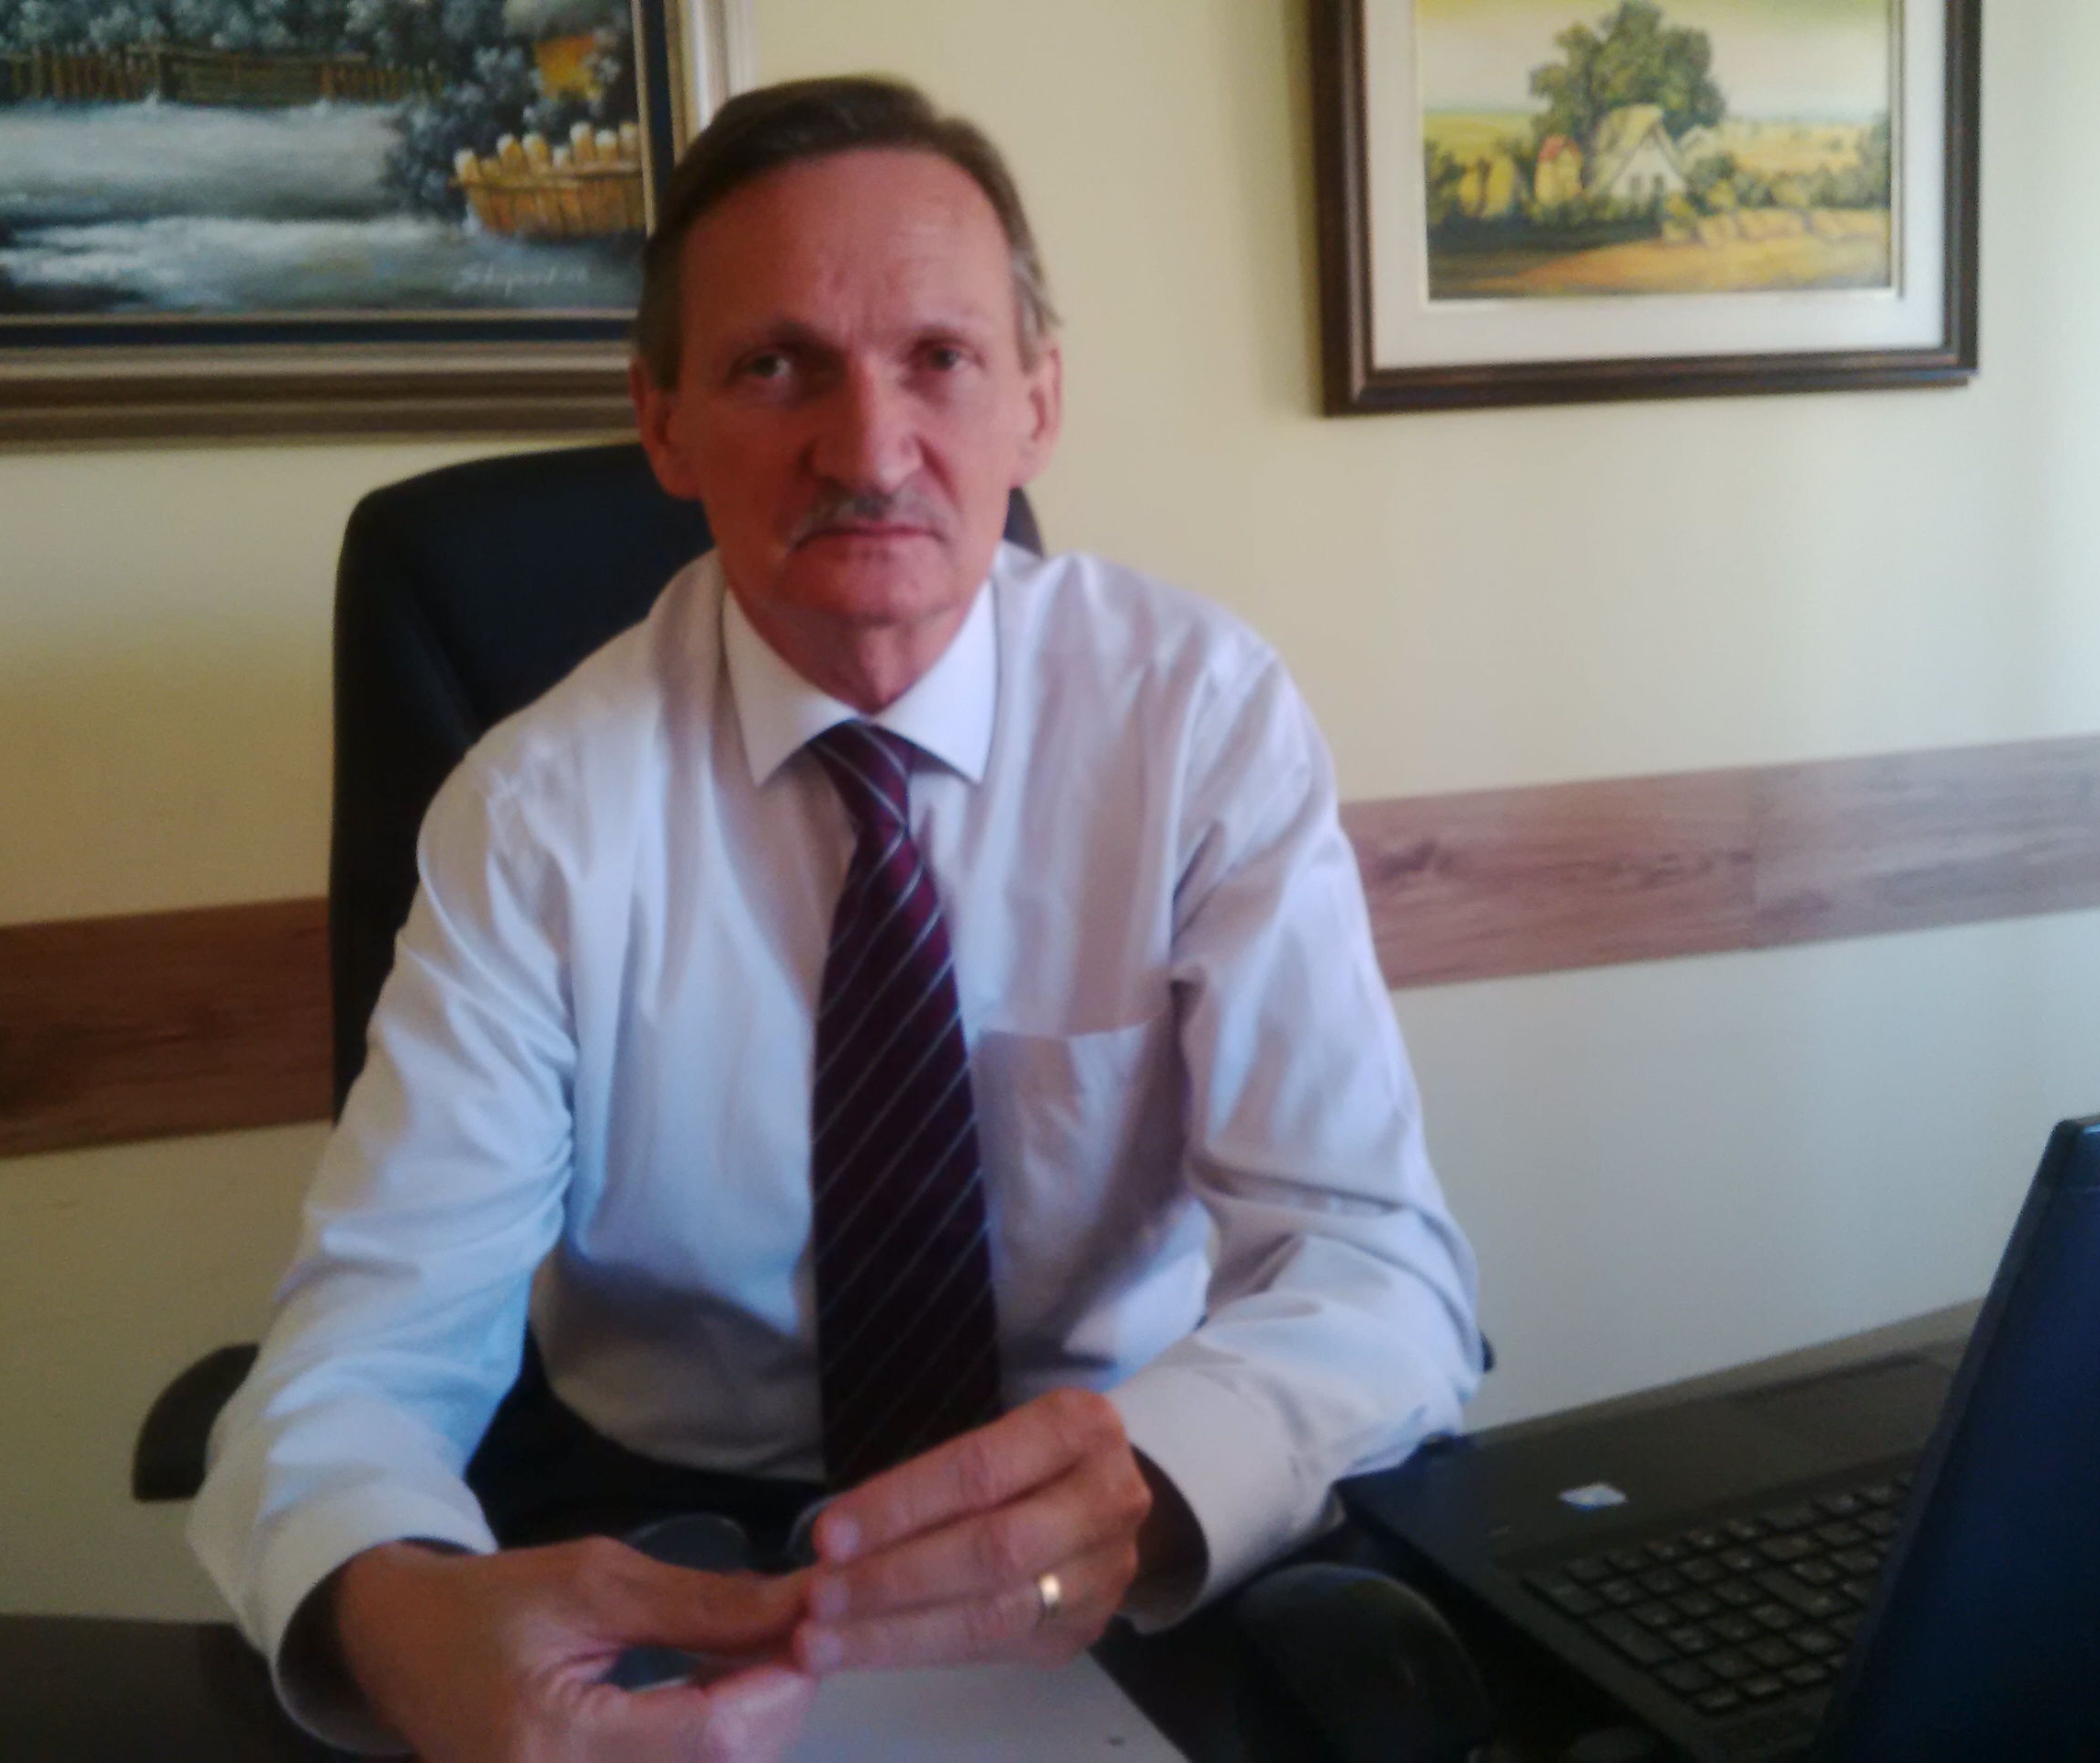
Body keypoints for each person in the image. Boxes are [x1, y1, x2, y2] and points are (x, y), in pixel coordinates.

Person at [190, 75, 1484, 1760]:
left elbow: (1373, 1267)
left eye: (939, 358)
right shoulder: (535, 813)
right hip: (674, 1530)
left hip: (1122, 1495)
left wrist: (1164, 1487)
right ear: (662, 420)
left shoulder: (1197, 720)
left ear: (1037, 402)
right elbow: (361, 1350)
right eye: (774, 367)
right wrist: (392, 1614)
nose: (869, 453)